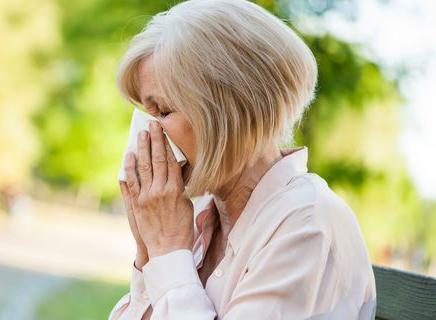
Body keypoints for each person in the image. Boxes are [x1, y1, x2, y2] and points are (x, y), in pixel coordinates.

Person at [110, 0, 376, 319]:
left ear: (231, 113)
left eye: (163, 111)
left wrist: (167, 250)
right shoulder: (201, 219)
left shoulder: (307, 225)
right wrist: (148, 252)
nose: (147, 133)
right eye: (145, 112)